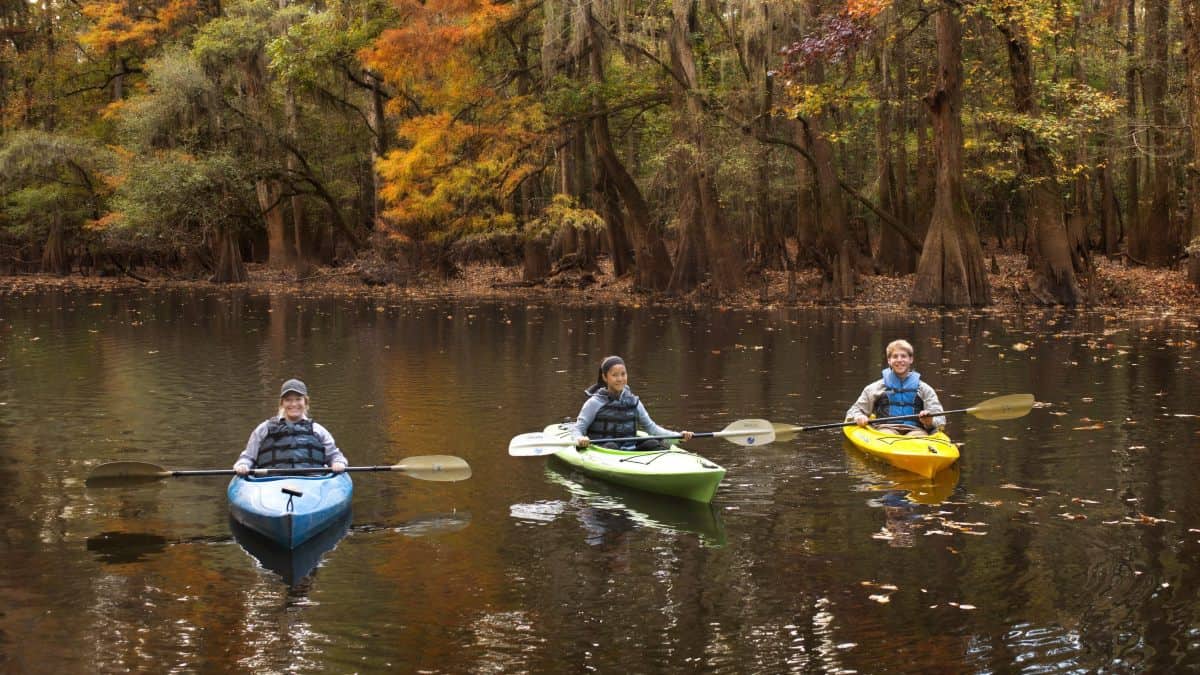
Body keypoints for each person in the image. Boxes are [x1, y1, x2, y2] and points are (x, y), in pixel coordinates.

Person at [570, 355, 694, 450]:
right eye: (614, 375)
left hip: (630, 448)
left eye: (623, 374)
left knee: (653, 443)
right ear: (605, 377)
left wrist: (679, 436)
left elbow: (652, 429)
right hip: (605, 449)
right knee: (612, 445)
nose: (620, 379)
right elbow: (578, 429)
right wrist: (580, 438)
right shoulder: (594, 403)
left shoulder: (634, 402)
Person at [234, 379, 348, 475]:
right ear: (282, 403)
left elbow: (334, 455)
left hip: (312, 484)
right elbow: (248, 457)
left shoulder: (318, 430)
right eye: (288, 400)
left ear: (305, 402)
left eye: (298, 399)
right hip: (270, 484)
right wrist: (243, 465)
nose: (293, 404)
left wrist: (338, 463)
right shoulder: (264, 429)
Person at [845, 339, 946, 437]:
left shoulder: (925, 389)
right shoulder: (875, 388)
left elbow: (940, 419)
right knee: (888, 434)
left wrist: (930, 420)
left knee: (918, 438)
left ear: (911, 359)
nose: (899, 360)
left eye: (903, 356)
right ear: (889, 360)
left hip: (915, 430)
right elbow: (854, 411)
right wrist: (859, 416)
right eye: (895, 356)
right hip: (885, 430)